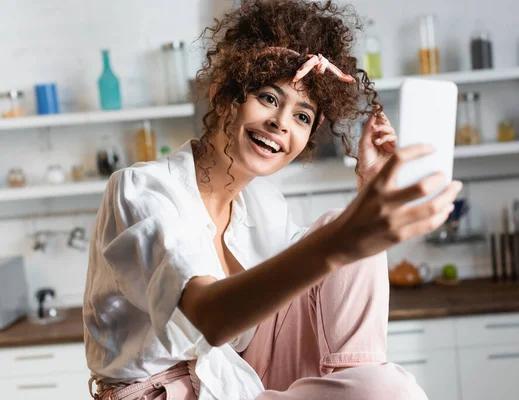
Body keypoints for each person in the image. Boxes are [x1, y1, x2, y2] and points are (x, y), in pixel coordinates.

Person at [83, 1, 462, 399]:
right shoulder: (141, 190)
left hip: (241, 380)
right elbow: (208, 317)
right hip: (166, 392)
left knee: (383, 387)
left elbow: (325, 282)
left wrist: (369, 190)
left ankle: (355, 379)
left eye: (302, 116)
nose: (281, 123)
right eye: (267, 97)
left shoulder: (264, 204)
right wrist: (342, 239)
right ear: (223, 95)